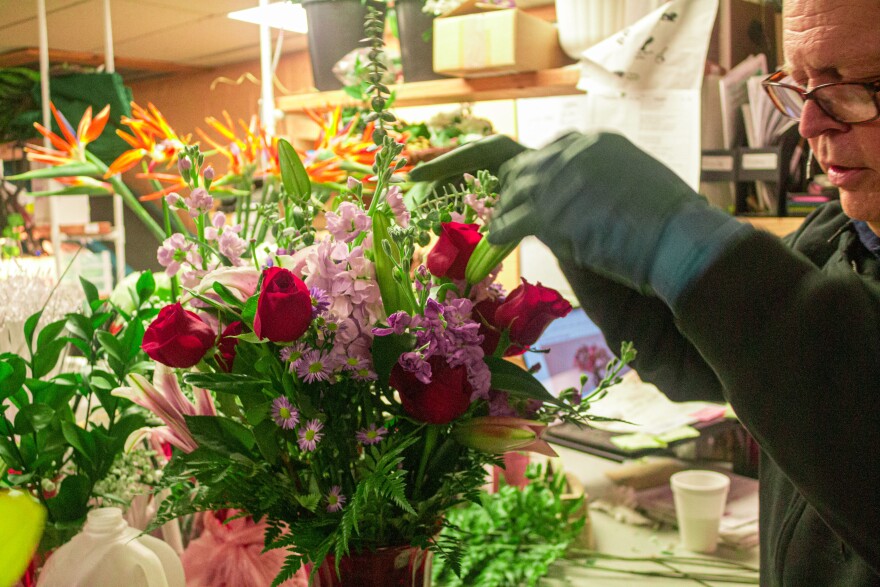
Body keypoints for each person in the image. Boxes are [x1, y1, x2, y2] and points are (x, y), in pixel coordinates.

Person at [410, 0, 880, 584]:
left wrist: (687, 242)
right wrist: (579, 230)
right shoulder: (838, 237)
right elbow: (693, 365)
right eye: (801, 87)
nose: (808, 125)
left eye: (851, 90)